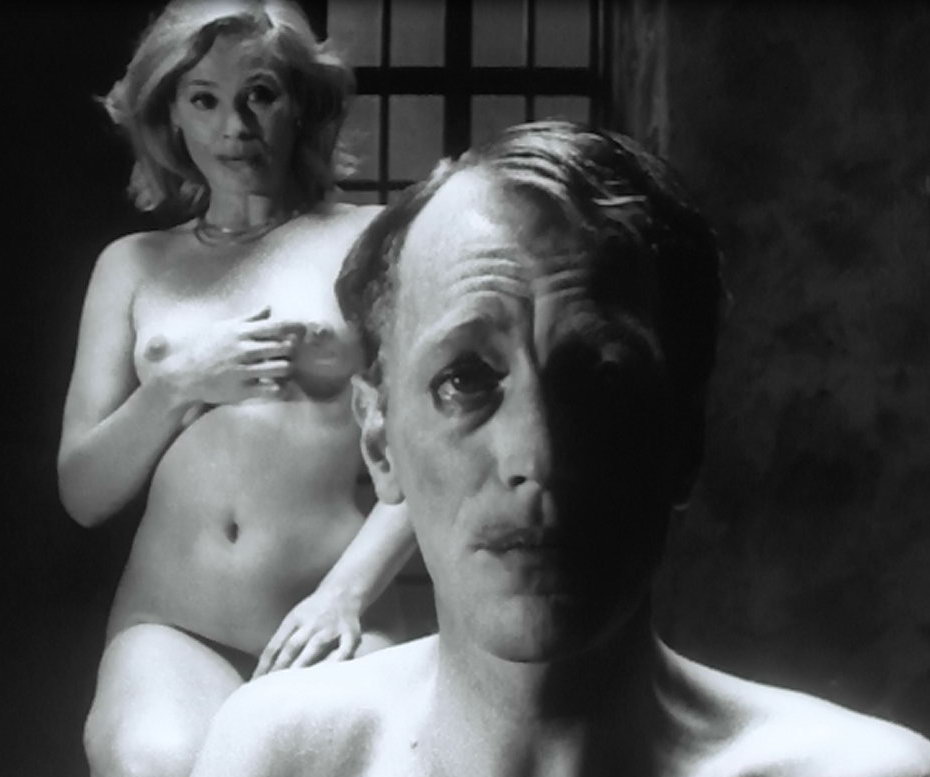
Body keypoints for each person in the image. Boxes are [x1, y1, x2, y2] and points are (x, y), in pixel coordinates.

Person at [189, 120, 930, 777]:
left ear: (685, 436)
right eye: (464, 380)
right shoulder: (275, 758)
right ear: (380, 438)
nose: (536, 456)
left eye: (601, 380)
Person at [57, 2, 416, 776]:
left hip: (333, 613)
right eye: (205, 99)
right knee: (156, 764)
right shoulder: (131, 265)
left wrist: (346, 594)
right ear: (171, 114)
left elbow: (439, 450)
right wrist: (174, 385)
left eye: (260, 94)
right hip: (174, 626)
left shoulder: (373, 240)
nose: (234, 127)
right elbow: (83, 492)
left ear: (302, 102)